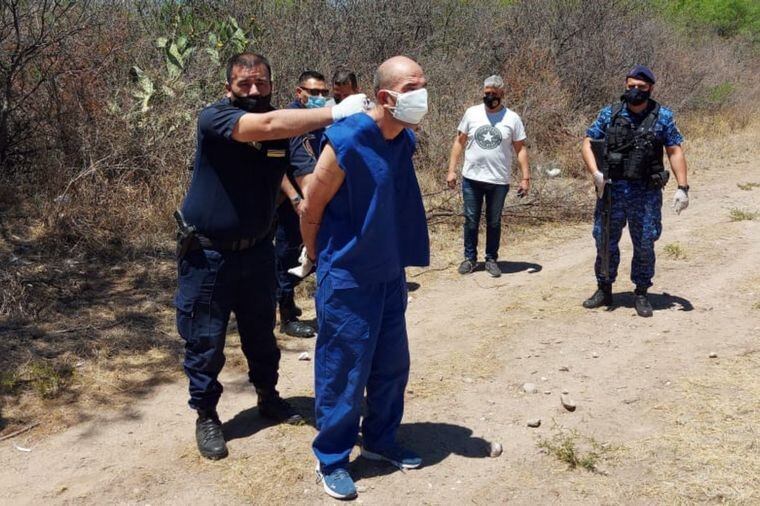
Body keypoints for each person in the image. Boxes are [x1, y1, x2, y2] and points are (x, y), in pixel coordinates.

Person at [175, 52, 366, 461]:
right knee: (204, 341)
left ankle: (268, 396)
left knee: (261, 335)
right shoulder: (216, 118)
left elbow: (310, 177)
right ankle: (207, 415)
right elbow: (263, 125)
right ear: (228, 87)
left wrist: (337, 185)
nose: (254, 90)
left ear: (272, 85)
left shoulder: (284, 134)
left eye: (261, 82)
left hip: (258, 251)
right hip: (207, 255)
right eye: (244, 83)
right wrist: (334, 112)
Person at [300, 55, 430, 500]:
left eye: (423, 84)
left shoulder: (404, 139)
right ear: (384, 97)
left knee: (392, 366)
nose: (422, 95)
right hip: (349, 278)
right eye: (413, 87)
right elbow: (311, 204)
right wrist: (319, 258)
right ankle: (332, 457)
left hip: (390, 273)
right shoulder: (349, 138)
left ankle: (380, 440)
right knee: (344, 372)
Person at [581, 64, 690, 317]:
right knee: (604, 240)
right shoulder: (610, 113)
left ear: (650, 88)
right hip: (611, 190)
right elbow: (587, 142)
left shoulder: (662, 117)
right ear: (625, 86)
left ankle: (641, 292)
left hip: (645, 193)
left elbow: (674, 150)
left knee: (644, 243)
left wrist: (683, 187)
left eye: (641, 87)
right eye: (631, 87)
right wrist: (596, 173)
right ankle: (604, 287)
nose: (636, 91)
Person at [446, 75, 530, 277]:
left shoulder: (512, 118)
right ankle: (470, 258)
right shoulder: (472, 113)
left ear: (502, 94)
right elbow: (459, 142)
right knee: (471, 220)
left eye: (493, 93)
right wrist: (451, 170)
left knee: (494, 221)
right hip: (471, 178)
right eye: (486, 93)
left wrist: (525, 177)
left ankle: (491, 259)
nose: (489, 97)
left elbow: (520, 149)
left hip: (498, 180)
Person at [274, 70, 331, 338]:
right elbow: (286, 167)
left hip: (309, 200)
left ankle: (290, 304)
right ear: (300, 93)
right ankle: (286, 318)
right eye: (314, 92)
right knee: (289, 257)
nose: (320, 97)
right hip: (295, 203)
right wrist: (299, 199)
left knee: (310, 257)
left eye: (324, 93)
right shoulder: (295, 122)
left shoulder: (317, 121)